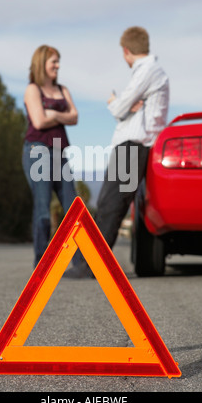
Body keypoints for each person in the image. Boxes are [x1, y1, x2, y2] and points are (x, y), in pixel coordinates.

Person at [95, 26, 170, 250]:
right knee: (109, 204)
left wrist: (114, 101)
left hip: (132, 147)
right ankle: (87, 262)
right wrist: (129, 106)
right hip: (133, 146)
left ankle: (89, 265)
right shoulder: (149, 72)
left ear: (126, 51)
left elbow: (119, 109)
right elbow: (128, 107)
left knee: (110, 205)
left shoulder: (147, 70)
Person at [22, 44, 88, 273]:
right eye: (54, 62)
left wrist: (54, 114)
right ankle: (41, 264)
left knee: (73, 208)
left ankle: (81, 263)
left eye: (58, 61)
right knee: (42, 207)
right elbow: (39, 122)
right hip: (37, 151)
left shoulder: (62, 89)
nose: (58, 66)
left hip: (59, 151)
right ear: (42, 63)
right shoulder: (33, 89)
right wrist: (63, 116)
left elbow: (75, 117)